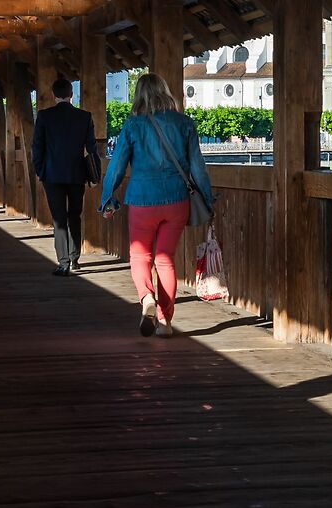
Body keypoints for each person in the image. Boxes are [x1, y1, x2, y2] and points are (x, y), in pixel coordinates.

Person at [100, 71, 215, 338]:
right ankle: (165, 322)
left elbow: (116, 167)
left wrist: (108, 197)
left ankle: (147, 299)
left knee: (141, 256)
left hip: (142, 199)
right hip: (177, 200)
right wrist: (207, 200)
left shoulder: (132, 125)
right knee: (165, 260)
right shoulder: (185, 123)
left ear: (139, 95)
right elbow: (199, 169)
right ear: (165, 92)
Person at [30, 76, 101, 277]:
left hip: (52, 175)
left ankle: (63, 262)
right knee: (74, 215)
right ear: (71, 94)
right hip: (77, 174)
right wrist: (94, 176)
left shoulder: (44, 116)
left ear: (54, 95)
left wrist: (40, 171)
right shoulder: (84, 117)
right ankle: (75, 258)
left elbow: (37, 147)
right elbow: (92, 149)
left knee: (59, 218)